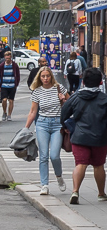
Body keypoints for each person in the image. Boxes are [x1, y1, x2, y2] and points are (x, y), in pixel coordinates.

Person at [59, 67, 107, 205]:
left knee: (80, 164)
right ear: (100, 83)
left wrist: (67, 126)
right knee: (98, 165)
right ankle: (101, 193)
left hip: (80, 137)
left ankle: (75, 191)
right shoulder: (104, 99)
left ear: (83, 82)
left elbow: (64, 115)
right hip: (100, 137)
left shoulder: (76, 97)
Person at [24, 66, 68, 195]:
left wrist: (63, 99)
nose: (45, 78)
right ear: (39, 77)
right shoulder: (37, 91)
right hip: (42, 124)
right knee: (43, 156)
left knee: (54, 155)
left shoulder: (59, 88)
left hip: (57, 125)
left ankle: (59, 177)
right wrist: (26, 128)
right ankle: (44, 185)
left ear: (51, 76)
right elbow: (33, 111)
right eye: (43, 76)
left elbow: (71, 103)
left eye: (47, 76)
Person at [0, 50, 21, 122]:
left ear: (11, 57)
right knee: (4, 100)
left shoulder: (14, 65)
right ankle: (4, 112)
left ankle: (9, 115)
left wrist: (16, 84)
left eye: (9, 58)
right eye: (6, 58)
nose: (7, 60)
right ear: (4, 57)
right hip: (4, 85)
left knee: (11, 101)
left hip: (12, 85)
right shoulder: (2, 65)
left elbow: (17, 75)